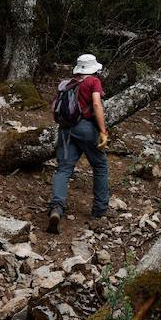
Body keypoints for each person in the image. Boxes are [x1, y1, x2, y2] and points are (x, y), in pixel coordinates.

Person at [47, 53, 109, 233]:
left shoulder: (69, 83)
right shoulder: (93, 82)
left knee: (64, 169)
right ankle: (99, 210)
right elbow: (96, 104)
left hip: (66, 129)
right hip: (86, 128)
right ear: (94, 68)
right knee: (100, 166)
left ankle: (57, 208)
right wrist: (103, 131)